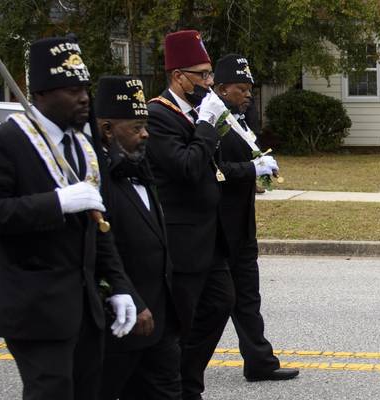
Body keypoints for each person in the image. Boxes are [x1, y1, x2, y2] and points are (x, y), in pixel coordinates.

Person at [0, 36, 140, 400]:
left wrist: (120, 286)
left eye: (85, 88)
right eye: (71, 90)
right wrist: (55, 203)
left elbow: (98, 227)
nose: (84, 98)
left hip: (86, 308)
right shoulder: (6, 141)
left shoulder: (82, 146)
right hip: (35, 307)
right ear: (40, 93)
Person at [144, 30, 235, 400]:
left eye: (210, 74)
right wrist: (205, 127)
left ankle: (189, 378)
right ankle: (181, 387)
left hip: (209, 237)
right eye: (202, 75)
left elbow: (210, 163)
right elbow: (186, 166)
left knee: (221, 302)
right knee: (181, 320)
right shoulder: (158, 115)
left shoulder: (199, 112)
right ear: (179, 76)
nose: (209, 82)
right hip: (181, 239)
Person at [94, 76, 186, 399]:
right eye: (135, 127)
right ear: (107, 129)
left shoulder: (138, 165)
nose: (145, 133)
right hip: (123, 323)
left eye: (145, 125)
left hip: (160, 319)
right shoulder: (96, 177)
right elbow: (102, 251)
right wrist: (131, 297)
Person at [212, 54, 299, 382]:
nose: (248, 95)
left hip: (242, 224)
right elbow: (213, 170)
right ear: (221, 89)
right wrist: (252, 168)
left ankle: (259, 361)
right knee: (215, 302)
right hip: (217, 227)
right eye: (241, 89)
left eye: (250, 89)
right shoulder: (212, 123)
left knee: (248, 296)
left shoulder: (240, 120)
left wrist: (261, 168)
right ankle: (179, 364)